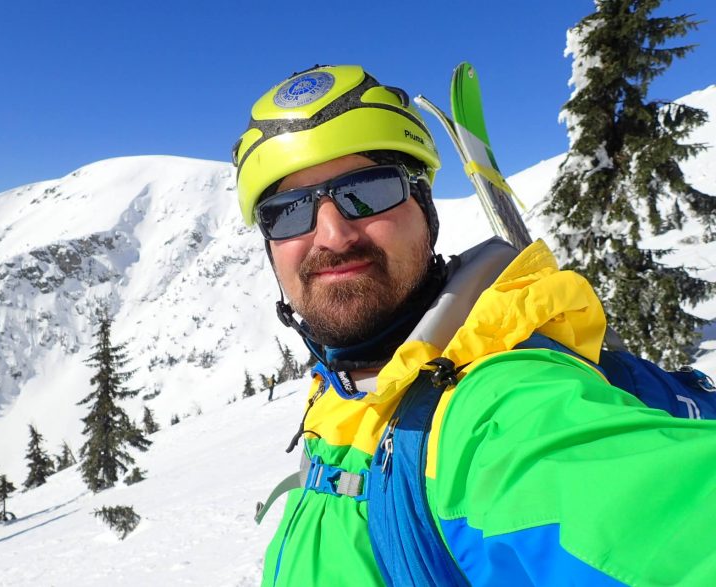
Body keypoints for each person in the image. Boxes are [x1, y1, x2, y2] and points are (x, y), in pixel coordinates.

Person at [232, 65, 716, 586]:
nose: (333, 234)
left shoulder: (502, 410)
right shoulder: (341, 388)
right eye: (287, 212)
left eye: (368, 190)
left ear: (424, 207)